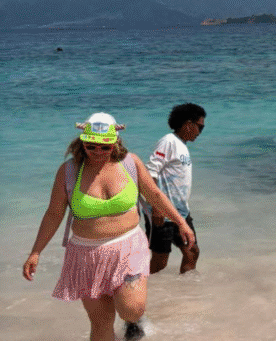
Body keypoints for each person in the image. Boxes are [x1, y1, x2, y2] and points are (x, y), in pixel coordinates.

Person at [23, 112, 195, 341]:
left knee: (131, 309)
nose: (97, 152)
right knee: (101, 323)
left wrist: (181, 221)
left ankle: (134, 322)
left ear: (115, 142)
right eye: (91, 146)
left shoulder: (130, 163)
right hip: (86, 255)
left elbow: (154, 194)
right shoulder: (69, 171)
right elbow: (54, 213)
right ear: (82, 142)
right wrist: (36, 252)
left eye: (104, 147)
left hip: (128, 248)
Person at [144, 103, 205, 275]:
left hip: (181, 213)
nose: (200, 132)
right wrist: (156, 207)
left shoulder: (181, 146)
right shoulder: (168, 142)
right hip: (162, 212)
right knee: (160, 261)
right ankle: (130, 286)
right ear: (188, 124)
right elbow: (150, 172)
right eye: (200, 127)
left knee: (192, 252)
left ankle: (186, 293)